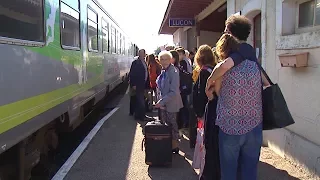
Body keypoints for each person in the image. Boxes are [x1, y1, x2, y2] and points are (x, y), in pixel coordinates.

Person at [205, 15, 270, 180]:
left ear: (228, 32)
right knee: (249, 172)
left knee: (229, 172)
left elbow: (217, 93)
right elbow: (267, 85)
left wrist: (210, 84)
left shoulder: (225, 66)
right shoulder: (254, 62)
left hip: (229, 126)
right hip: (254, 124)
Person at [192, 45, 220, 180]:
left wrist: (198, 113)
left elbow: (200, 94)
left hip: (205, 112)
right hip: (214, 110)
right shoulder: (214, 70)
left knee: (203, 143)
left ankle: (205, 173)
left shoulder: (203, 72)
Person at [155, 51, 183, 153]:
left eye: (166, 59)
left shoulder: (173, 72)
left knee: (172, 125)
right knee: (166, 125)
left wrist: (161, 102)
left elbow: (174, 91)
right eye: (162, 59)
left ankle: (174, 146)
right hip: (164, 104)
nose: (164, 61)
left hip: (171, 104)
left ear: (171, 60)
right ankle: (167, 145)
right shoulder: (164, 71)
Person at [129, 49, 150, 121]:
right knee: (141, 101)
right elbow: (132, 74)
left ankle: (138, 115)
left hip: (143, 84)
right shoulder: (135, 63)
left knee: (140, 100)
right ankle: (142, 116)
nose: (142, 55)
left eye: (143, 53)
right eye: (140, 53)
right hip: (138, 85)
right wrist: (133, 84)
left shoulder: (144, 62)